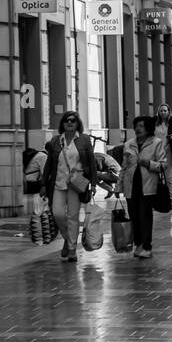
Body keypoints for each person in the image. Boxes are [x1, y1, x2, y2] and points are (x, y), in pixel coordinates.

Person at [42, 111, 98, 261]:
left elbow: (91, 162)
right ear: (62, 123)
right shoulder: (55, 141)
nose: (70, 122)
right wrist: (43, 184)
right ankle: (68, 238)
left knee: (73, 216)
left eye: (73, 120)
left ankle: (72, 248)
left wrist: (93, 183)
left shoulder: (84, 140)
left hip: (76, 184)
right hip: (58, 183)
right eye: (67, 120)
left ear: (77, 123)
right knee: (58, 213)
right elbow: (49, 164)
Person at [120, 115, 166, 258]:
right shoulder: (128, 144)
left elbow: (163, 164)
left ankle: (147, 246)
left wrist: (148, 163)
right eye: (136, 126)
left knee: (144, 215)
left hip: (147, 186)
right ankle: (138, 243)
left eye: (141, 126)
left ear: (148, 128)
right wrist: (118, 186)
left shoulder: (156, 143)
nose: (138, 129)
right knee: (133, 215)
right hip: (131, 185)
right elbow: (124, 166)